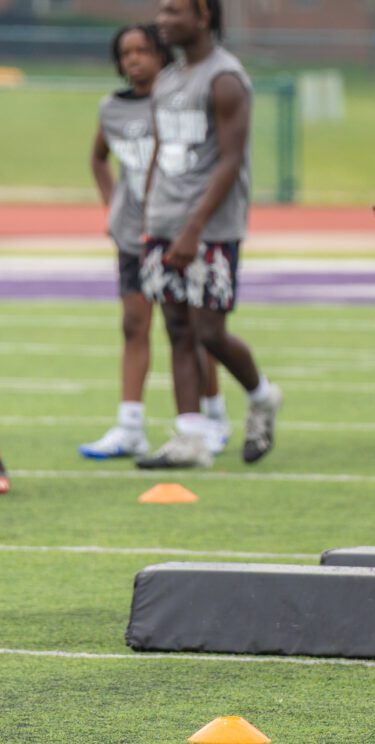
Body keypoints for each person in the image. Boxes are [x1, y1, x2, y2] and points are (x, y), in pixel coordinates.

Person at [137, 0, 283, 469]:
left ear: (203, 15)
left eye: (173, 10)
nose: (162, 19)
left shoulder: (224, 78)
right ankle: (190, 438)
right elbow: (160, 150)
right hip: (164, 222)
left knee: (209, 331)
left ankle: (261, 396)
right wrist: (148, 215)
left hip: (210, 228)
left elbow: (230, 160)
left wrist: (193, 228)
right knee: (176, 327)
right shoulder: (168, 77)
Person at [79, 22, 232, 461]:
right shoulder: (111, 109)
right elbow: (98, 158)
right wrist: (112, 207)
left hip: (177, 227)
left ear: (163, 55)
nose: (134, 60)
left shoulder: (177, 101)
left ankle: (213, 416)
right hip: (134, 232)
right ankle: (130, 425)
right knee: (134, 323)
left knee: (191, 327)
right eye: (126, 53)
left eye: (143, 51)